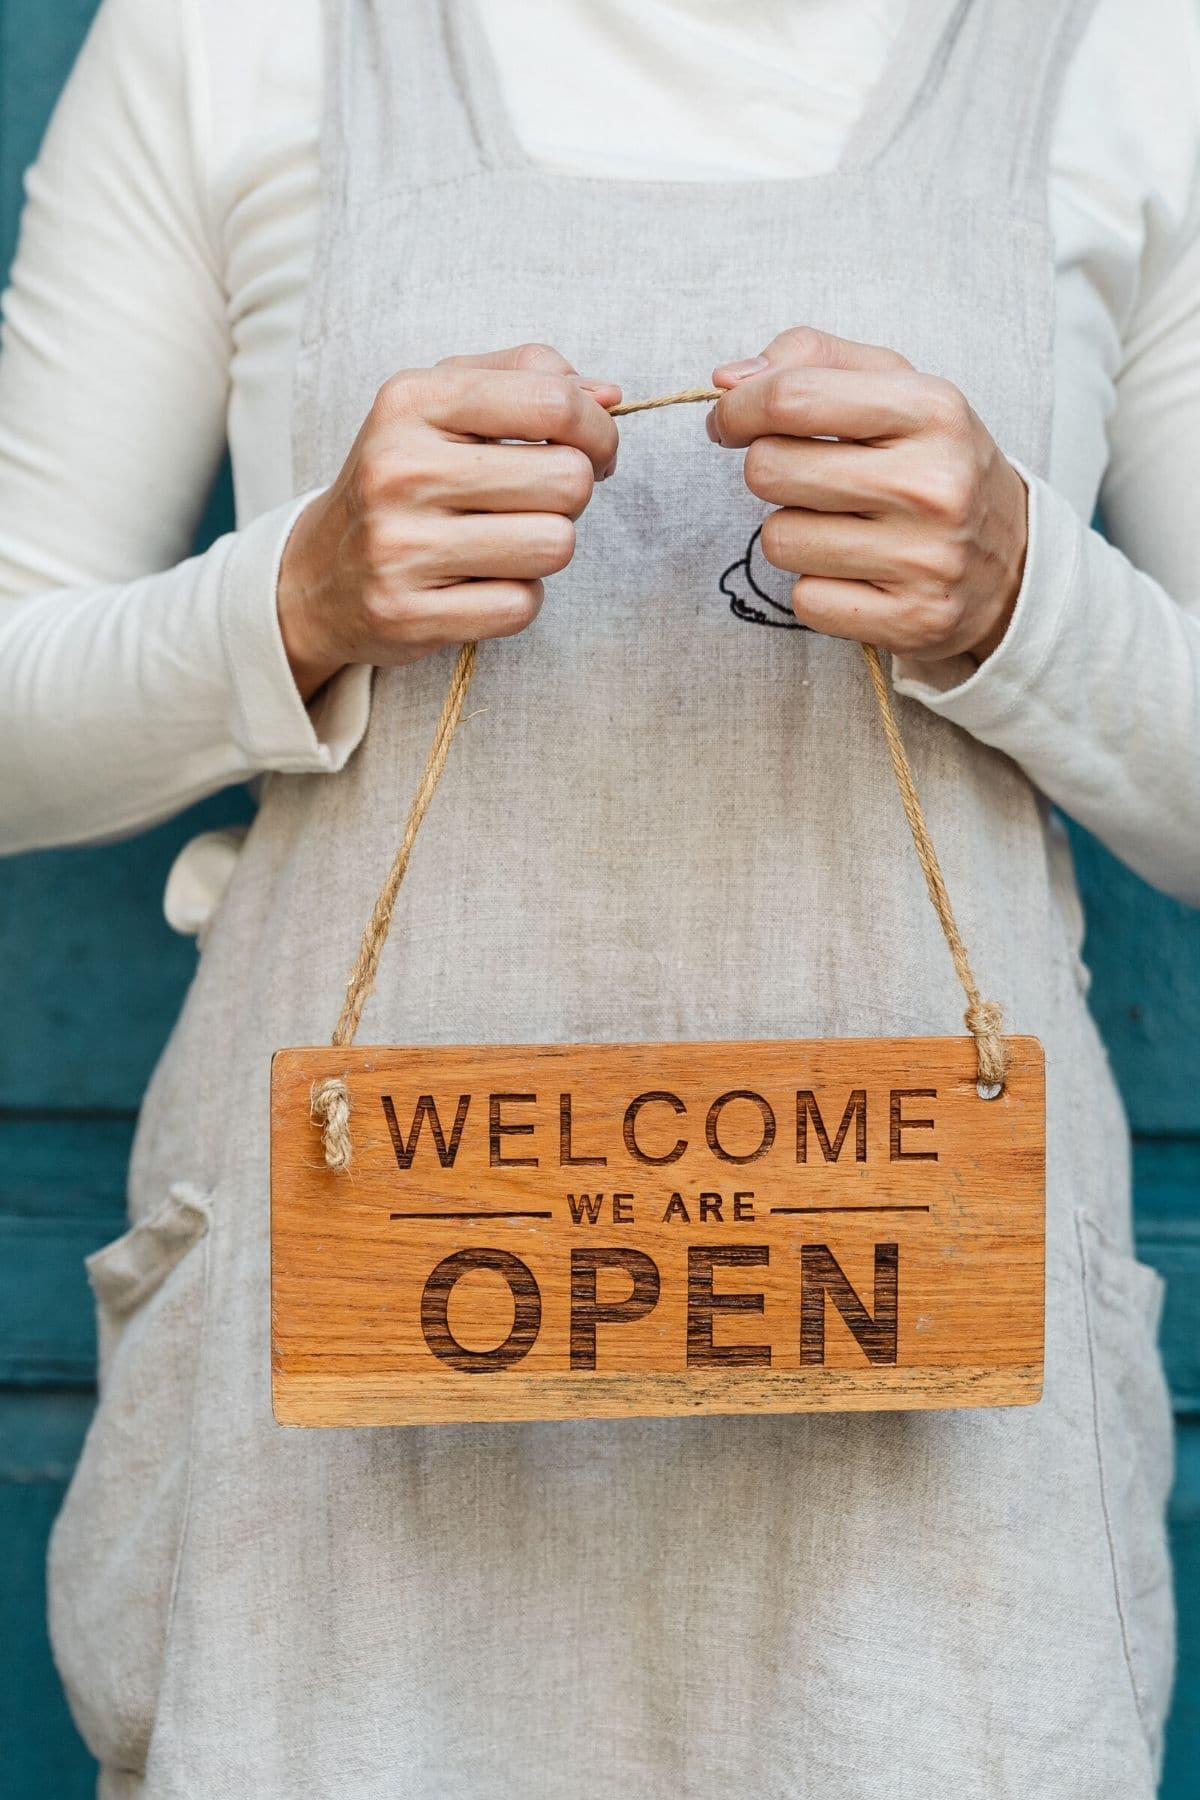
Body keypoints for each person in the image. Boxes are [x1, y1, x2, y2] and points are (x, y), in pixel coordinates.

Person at [1, 0, 1197, 1793]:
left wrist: (1031, 598)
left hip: (930, 1432)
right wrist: (298, 598)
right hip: (341, 1414)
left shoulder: (1133, 50)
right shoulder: (222, 33)